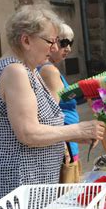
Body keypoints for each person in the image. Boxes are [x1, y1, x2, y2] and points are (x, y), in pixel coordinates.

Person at [0, 4, 105, 205]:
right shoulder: (15, 72)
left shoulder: (27, 69)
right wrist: (76, 130)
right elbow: (28, 133)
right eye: (50, 41)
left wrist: (75, 135)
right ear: (26, 40)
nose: (55, 48)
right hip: (21, 185)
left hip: (32, 183)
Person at [39, 23, 81, 170]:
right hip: (65, 143)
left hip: (67, 140)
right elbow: (51, 114)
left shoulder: (48, 68)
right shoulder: (49, 71)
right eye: (64, 43)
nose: (68, 49)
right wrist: (64, 146)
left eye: (71, 43)